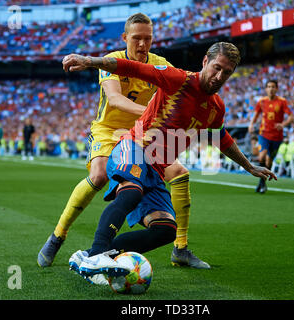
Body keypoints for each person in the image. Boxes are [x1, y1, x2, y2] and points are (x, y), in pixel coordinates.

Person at [62, 42, 277, 283]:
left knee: (165, 229)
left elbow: (222, 138)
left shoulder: (216, 107)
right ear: (205, 61)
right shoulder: (179, 79)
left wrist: (249, 166)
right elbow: (132, 68)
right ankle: (98, 254)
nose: (219, 76)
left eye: (226, 72)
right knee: (131, 191)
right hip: (133, 148)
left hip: (155, 168)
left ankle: (88, 257)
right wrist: (90, 61)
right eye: (216, 68)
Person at [38, 13, 209, 272]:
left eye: (148, 39)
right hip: (109, 129)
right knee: (98, 175)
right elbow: (116, 100)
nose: (142, 44)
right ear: (125, 38)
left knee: (180, 173)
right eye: (137, 38)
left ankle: (180, 248)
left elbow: (186, 85)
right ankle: (58, 236)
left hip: (143, 133)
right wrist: (154, 115)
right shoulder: (114, 61)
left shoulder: (160, 63)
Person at [248, 80, 293, 193]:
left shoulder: (282, 102)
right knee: (262, 156)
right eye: (268, 87)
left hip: (277, 137)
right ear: (266, 89)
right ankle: (262, 183)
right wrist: (251, 124)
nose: (271, 89)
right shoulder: (262, 101)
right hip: (264, 134)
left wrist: (282, 125)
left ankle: (262, 183)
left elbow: (291, 117)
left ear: (276, 89)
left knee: (269, 162)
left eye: (273, 87)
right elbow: (256, 114)